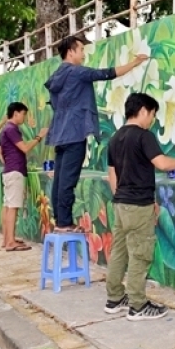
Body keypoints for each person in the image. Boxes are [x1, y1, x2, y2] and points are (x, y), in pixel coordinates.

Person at [103, 92, 175, 320]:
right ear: (144, 111)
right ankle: (137, 305)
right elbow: (162, 163)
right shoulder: (143, 136)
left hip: (121, 205)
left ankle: (114, 298)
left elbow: (112, 175)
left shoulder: (115, 138)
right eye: (153, 115)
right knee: (140, 255)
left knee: (119, 251)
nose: (153, 120)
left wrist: (124, 198)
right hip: (138, 205)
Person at [44, 35, 150, 233]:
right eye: (81, 50)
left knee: (59, 179)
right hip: (75, 132)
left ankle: (60, 220)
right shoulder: (76, 72)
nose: (83, 55)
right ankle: (65, 223)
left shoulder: (58, 75)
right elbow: (107, 73)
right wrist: (135, 63)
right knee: (68, 180)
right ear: (71, 52)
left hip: (59, 133)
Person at [0, 102, 48, 251]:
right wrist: (39, 137)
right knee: (13, 207)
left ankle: (7, 239)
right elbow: (24, 148)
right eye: (24, 114)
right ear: (16, 113)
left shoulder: (5, 130)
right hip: (15, 171)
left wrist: (8, 162)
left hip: (9, 171)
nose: (24, 118)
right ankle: (11, 242)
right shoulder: (12, 129)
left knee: (8, 206)